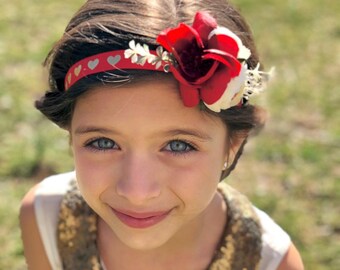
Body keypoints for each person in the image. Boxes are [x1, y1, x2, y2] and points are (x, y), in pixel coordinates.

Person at [19, 0, 304, 269]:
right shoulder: (46, 220)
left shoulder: (269, 262)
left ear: (232, 144)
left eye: (179, 145)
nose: (137, 192)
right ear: (71, 135)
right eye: (103, 143)